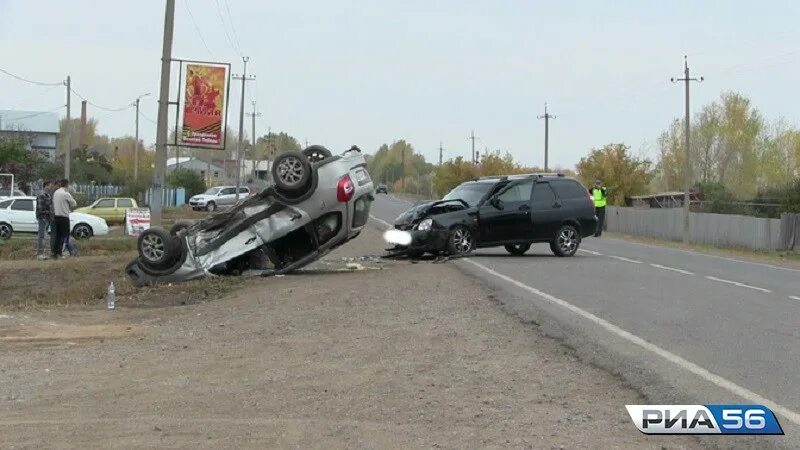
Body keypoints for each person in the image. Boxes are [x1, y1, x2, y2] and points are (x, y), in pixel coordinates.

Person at [52, 179, 77, 259]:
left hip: (56, 217)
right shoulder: (65, 194)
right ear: (67, 185)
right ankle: (62, 252)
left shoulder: (55, 193)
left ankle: (55, 253)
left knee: (57, 236)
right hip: (64, 217)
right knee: (65, 236)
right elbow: (74, 204)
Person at [35, 181, 55, 260]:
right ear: (46, 186)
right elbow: (40, 209)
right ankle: (40, 254)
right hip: (43, 218)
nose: (51, 187)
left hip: (47, 218)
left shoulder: (48, 195)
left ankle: (42, 253)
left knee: (45, 236)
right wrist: (49, 213)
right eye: (50, 186)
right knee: (41, 236)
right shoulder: (41, 195)